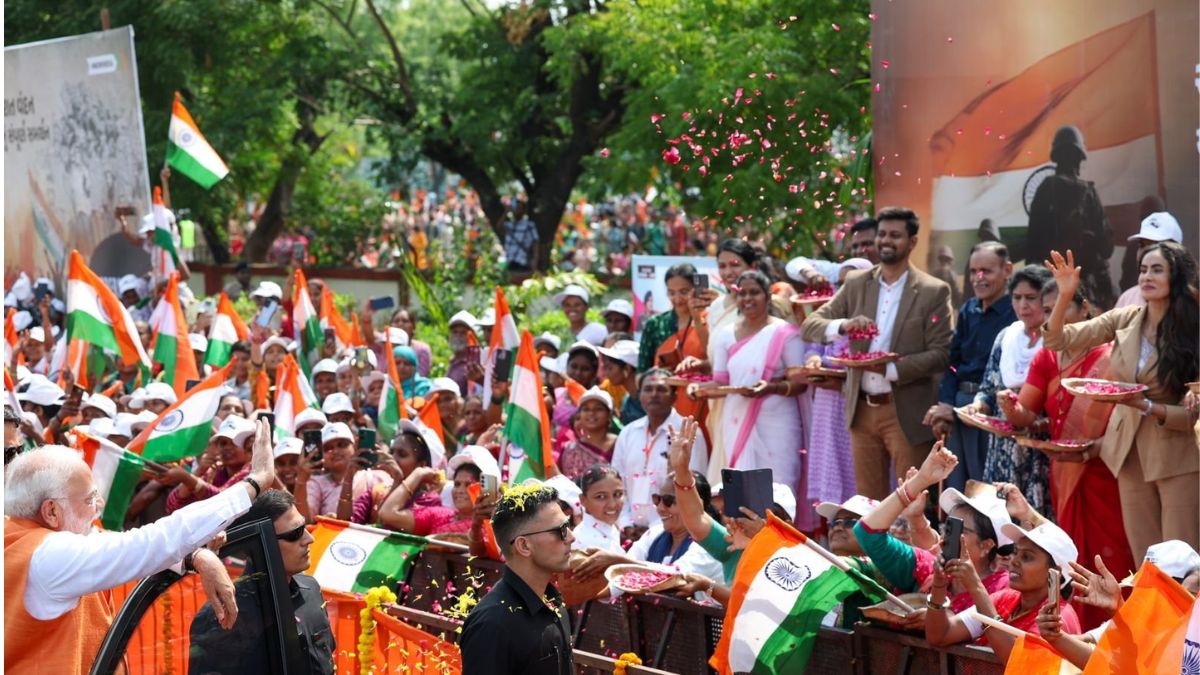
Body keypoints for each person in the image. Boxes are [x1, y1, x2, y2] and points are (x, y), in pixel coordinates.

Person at [3, 420, 273, 673]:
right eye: (90, 498)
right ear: (51, 511)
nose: (99, 507)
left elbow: (116, 541)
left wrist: (196, 556)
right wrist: (253, 483)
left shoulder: (18, 532)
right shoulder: (48, 556)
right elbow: (148, 543)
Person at [1043, 246, 1199, 558]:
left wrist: (1146, 406)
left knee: (1184, 562)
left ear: (1176, 276)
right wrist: (1064, 295)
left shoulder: (1192, 328)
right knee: (1148, 561)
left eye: (1157, 269)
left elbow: (1192, 413)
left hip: (1178, 456)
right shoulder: (1126, 319)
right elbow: (1057, 340)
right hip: (1128, 455)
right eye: (1143, 269)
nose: (1147, 276)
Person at [801, 207, 953, 500]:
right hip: (861, 411)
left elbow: (940, 354)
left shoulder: (933, 290)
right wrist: (845, 325)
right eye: (882, 234)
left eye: (895, 235)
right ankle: (871, 550)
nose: (885, 241)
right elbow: (811, 325)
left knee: (911, 506)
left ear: (912, 242)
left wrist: (889, 369)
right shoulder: (858, 283)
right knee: (868, 506)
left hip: (906, 412)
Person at [999, 279, 1134, 606]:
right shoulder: (1046, 357)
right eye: (1048, 311)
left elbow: (1126, 418)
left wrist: (1100, 446)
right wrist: (1010, 408)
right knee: (1073, 550)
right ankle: (1079, 628)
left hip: (1106, 468)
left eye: (1063, 307)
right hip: (1064, 469)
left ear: (1086, 308)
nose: (1053, 317)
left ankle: (1116, 623)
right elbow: (1026, 415)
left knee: (1111, 548)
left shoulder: (1113, 358)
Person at [188, 489, 334, 674]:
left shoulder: (310, 590)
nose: (309, 539)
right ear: (262, 543)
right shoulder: (224, 614)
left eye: (304, 527)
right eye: (294, 533)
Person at [855, 443, 1012, 614]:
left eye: (960, 529)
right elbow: (866, 533)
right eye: (949, 526)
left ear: (986, 545)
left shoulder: (1003, 590)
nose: (945, 537)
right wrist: (920, 480)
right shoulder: (928, 567)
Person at [700, 270, 807, 490]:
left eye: (754, 293)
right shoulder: (727, 334)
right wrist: (698, 389)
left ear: (768, 297)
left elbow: (800, 383)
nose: (747, 298)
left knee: (780, 489)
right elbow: (721, 382)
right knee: (742, 489)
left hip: (778, 420)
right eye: (742, 293)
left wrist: (771, 387)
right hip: (736, 420)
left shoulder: (785, 333)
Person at [926, 241, 1015, 491]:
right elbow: (953, 363)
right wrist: (946, 405)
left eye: (987, 271)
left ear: (1007, 269)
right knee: (957, 489)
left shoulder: (1015, 314)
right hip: (959, 406)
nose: (979, 278)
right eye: (974, 271)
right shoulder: (968, 310)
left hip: (992, 410)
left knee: (987, 492)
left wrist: (956, 410)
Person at [925, 520, 1080, 663]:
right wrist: (940, 583)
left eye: (1026, 557)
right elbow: (939, 636)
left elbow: (1018, 663)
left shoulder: (1058, 618)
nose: (1014, 560)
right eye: (1016, 552)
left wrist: (976, 587)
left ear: (1054, 573)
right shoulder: (1005, 598)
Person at [460, 485, 575, 675]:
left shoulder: (554, 602)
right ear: (523, 545)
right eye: (561, 530)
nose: (571, 537)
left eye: (568, 526)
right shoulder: (492, 625)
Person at [970, 265, 1054, 514]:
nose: (1023, 306)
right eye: (1017, 298)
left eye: (1031, 298)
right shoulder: (1006, 336)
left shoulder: (1056, 340)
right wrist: (978, 405)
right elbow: (988, 386)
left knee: (1033, 518)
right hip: (1002, 444)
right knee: (999, 516)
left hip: (1038, 444)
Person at [803, 258, 873, 510]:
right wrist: (813, 361)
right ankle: (835, 531)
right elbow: (812, 347)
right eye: (841, 284)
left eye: (852, 284)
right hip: (826, 408)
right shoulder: (832, 318)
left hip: (859, 408)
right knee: (830, 478)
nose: (846, 290)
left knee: (860, 478)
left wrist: (843, 382)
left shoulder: (875, 321)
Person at [1025, 125, 1115, 309]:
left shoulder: (1045, 189)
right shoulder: (1089, 193)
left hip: (1050, 291)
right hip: (1085, 293)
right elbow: (1107, 247)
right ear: (1079, 158)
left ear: (1056, 157)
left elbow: (1032, 245)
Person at [610, 369, 707, 532]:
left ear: (674, 397)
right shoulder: (628, 432)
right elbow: (616, 485)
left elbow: (696, 488)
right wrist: (625, 524)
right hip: (629, 532)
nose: (654, 394)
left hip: (673, 531)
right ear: (639, 395)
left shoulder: (688, 433)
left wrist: (654, 532)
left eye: (661, 389)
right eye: (648, 389)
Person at [638, 263, 706, 423]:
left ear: (696, 289)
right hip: (664, 406)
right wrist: (659, 374)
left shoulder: (708, 321)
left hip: (701, 401)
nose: (677, 299)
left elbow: (718, 364)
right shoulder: (656, 325)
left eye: (684, 292)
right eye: (671, 292)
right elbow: (641, 374)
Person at [164, 416, 258, 513]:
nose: (227, 448)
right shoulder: (215, 470)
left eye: (234, 442)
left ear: (249, 447)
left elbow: (223, 502)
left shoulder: (254, 470)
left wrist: (186, 478)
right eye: (223, 443)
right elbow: (172, 506)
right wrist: (198, 471)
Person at [1113, 211, 1183, 309]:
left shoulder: (1193, 302)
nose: (1146, 253)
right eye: (1142, 245)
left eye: (1154, 245)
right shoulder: (1127, 299)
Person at [557, 388, 618, 479]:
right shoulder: (569, 449)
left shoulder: (620, 444)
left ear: (609, 415)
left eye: (598, 409)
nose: (591, 413)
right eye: (586, 409)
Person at [570, 464, 625, 553]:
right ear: (583, 500)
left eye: (618, 494)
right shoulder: (585, 542)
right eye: (601, 497)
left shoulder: (611, 528)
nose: (612, 504)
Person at [596, 340, 639, 418]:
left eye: (610, 368)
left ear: (627, 368)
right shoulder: (626, 402)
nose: (606, 373)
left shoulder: (647, 398)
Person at [389, 308, 433, 376]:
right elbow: (367, 373)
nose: (400, 324)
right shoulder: (382, 348)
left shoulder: (422, 350)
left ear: (413, 327)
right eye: (396, 321)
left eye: (405, 321)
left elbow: (421, 375)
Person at [503, 206, 540, 272]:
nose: (516, 210)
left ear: (523, 211)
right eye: (516, 208)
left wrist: (535, 259)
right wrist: (506, 212)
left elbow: (535, 241)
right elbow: (499, 227)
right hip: (509, 260)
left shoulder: (529, 225)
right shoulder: (509, 225)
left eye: (519, 208)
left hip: (522, 261)